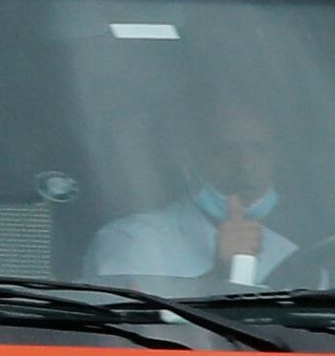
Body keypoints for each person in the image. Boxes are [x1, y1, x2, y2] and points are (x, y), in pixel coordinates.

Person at [87, 97, 296, 286]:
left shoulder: (291, 258)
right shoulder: (133, 241)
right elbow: (127, 321)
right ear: (192, 160)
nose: (245, 165)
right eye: (226, 150)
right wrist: (218, 276)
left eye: (260, 150)